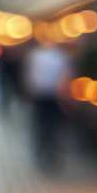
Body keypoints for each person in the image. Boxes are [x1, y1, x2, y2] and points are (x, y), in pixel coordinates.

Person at [21, 38, 72, 171]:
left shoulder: (35, 56)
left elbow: (29, 75)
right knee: (53, 125)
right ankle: (51, 149)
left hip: (40, 95)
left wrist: (28, 90)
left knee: (40, 124)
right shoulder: (62, 57)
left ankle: (42, 148)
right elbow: (66, 78)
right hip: (55, 96)